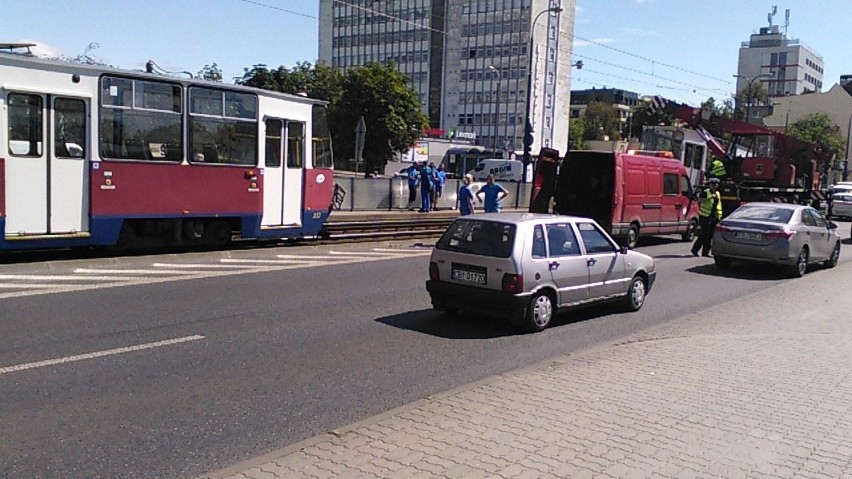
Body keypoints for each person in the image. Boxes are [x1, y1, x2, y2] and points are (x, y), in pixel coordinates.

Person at [691, 177, 723, 257]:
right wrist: (709, 197)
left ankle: (705, 252)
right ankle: (695, 250)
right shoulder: (706, 192)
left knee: (710, 235)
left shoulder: (718, 193)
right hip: (705, 216)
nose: (715, 186)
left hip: (713, 216)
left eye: (716, 184)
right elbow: (699, 200)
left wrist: (719, 216)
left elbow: (719, 205)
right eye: (713, 184)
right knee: (703, 235)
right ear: (710, 185)